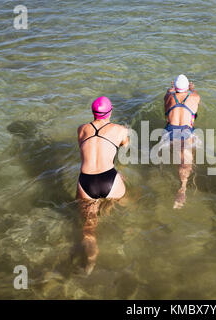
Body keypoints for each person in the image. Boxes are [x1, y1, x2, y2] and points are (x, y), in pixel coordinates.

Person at [76, 96, 129, 275]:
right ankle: (128, 233)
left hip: (86, 182)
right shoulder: (120, 129)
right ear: (111, 111)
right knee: (126, 201)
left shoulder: (81, 129)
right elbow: (125, 147)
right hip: (110, 179)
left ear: (93, 112)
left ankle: (90, 263)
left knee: (89, 228)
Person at [163, 74, 201, 209]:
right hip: (186, 132)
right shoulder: (195, 97)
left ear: (175, 87)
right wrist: (193, 88)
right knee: (185, 161)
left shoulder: (168, 96)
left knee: (175, 153)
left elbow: (168, 94)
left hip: (170, 132)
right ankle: (183, 187)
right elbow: (195, 98)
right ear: (187, 88)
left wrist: (171, 89)